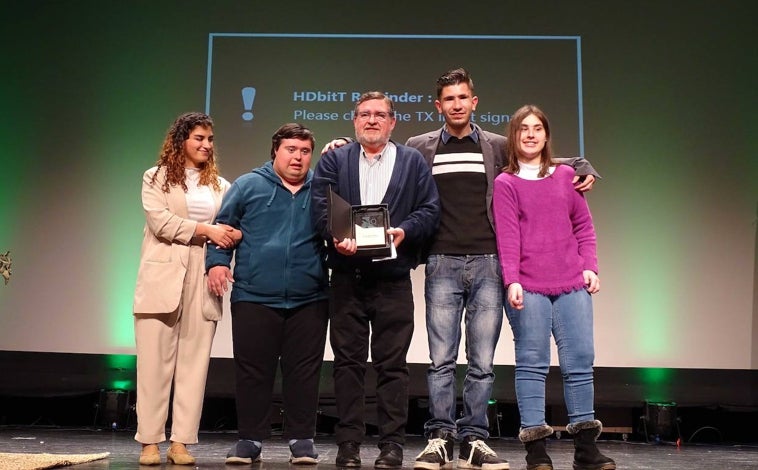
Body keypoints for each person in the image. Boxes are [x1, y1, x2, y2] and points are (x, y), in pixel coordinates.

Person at [403, 68, 599, 470]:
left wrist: (584, 167)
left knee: (482, 361)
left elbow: (540, 159)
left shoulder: (494, 145)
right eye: (449, 99)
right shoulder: (419, 146)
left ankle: (474, 437)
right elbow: (384, 158)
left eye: (464, 98)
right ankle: (440, 436)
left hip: (490, 262)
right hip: (441, 262)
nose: (457, 104)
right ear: (438, 105)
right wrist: (340, 144)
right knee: (441, 358)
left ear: (474, 103)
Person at [311, 91, 440, 469]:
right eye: (364, 114)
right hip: (347, 277)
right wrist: (336, 236)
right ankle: (348, 443)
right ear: (354, 121)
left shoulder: (412, 161)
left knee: (393, 366)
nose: (371, 120)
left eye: (380, 115)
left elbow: (430, 210)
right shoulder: (335, 159)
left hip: (393, 279)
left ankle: (392, 445)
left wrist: (404, 231)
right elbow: (320, 206)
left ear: (392, 122)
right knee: (347, 364)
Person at [493, 105, 616, 470]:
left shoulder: (566, 176)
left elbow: (584, 227)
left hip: (571, 283)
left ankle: (585, 448)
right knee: (532, 364)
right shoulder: (506, 183)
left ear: (546, 135)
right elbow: (508, 238)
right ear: (514, 137)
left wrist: (590, 267)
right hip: (528, 286)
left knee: (580, 362)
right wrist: (512, 279)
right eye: (523, 129)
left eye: (537, 129)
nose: (530, 135)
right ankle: (536, 449)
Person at [205, 123, 329, 465]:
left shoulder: (321, 187)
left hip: (310, 297)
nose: (298, 157)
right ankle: (249, 439)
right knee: (252, 371)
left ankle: (302, 440)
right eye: (291, 149)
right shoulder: (248, 185)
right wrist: (216, 263)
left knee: (304, 372)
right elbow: (222, 227)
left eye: (305, 151)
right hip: (254, 295)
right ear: (275, 151)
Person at [132, 112, 241, 466]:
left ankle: (180, 441)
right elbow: (161, 223)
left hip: (204, 275)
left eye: (210, 139)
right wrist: (207, 231)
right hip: (163, 274)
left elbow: (230, 226)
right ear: (181, 141)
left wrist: (230, 236)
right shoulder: (156, 177)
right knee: (153, 364)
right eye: (199, 138)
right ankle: (149, 441)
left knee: (194, 365)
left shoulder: (221, 186)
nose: (206, 145)